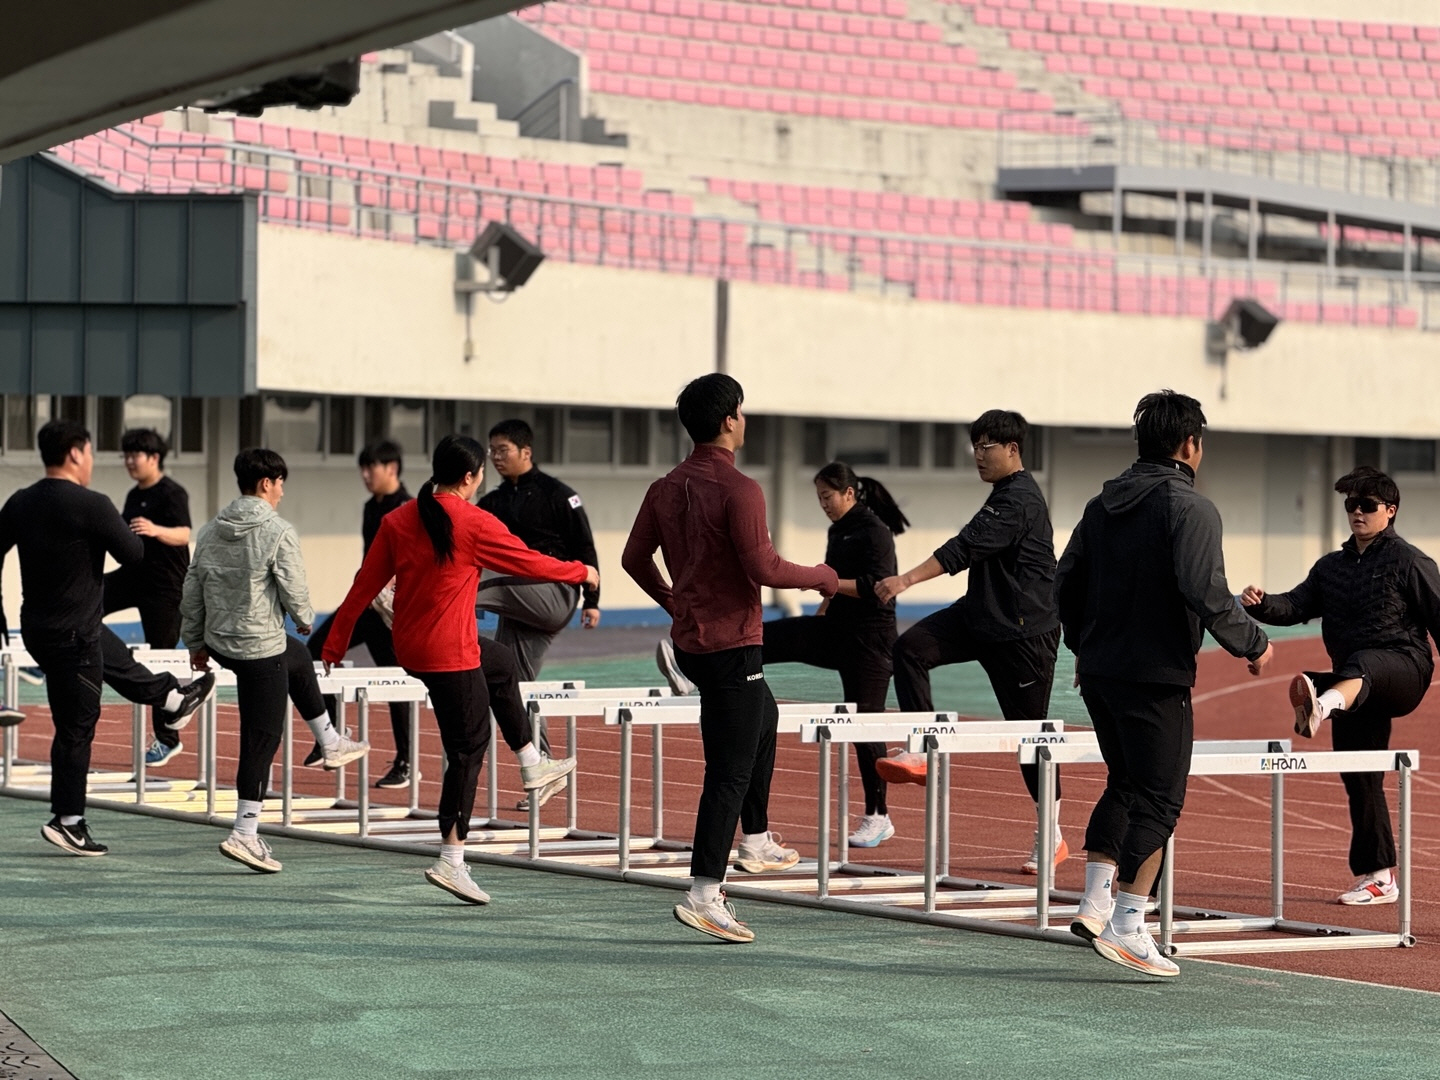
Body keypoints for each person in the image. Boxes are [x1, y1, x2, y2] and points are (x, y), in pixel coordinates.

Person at [322, 435, 594, 905]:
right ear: (471, 477)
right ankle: (451, 859)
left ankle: (533, 762)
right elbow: (528, 563)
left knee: (502, 663)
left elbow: (364, 583)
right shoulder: (473, 521)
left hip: (414, 646)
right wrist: (581, 572)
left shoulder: (398, 519)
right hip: (447, 652)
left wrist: (335, 641)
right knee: (468, 748)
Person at [1056, 390, 1273, 977]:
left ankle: (1095, 905)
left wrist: (1083, 646)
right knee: (1160, 797)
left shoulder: (1100, 506)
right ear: (1190, 444)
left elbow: (1065, 582)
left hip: (1099, 671)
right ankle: (1129, 925)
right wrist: (1254, 644)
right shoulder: (1190, 507)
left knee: (1124, 782)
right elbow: (1205, 590)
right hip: (1155, 675)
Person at [623, 374, 838, 943]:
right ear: (728, 420)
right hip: (730, 645)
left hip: (694, 643)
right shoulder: (740, 489)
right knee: (727, 772)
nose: (745, 420)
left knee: (764, 715)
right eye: (741, 411)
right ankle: (704, 894)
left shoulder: (664, 487)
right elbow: (764, 567)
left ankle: (757, 840)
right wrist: (821, 576)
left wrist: (673, 600)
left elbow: (633, 559)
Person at [659, 461, 908, 849]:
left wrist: (823, 581)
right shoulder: (837, 529)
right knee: (766, 636)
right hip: (835, 630)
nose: (823, 505)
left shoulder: (874, 531)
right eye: (819, 498)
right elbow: (832, 582)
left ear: (849, 493)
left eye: (828, 497)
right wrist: (820, 608)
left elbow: (874, 586)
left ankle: (879, 816)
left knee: (865, 723)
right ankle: (693, 670)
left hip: (870, 641)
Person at [0, 420, 213, 856]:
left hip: (39, 629)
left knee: (108, 649)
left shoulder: (20, 501)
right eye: (92, 453)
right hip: (73, 635)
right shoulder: (92, 504)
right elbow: (133, 553)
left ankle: (171, 698)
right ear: (76, 453)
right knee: (76, 727)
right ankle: (68, 821)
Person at [872, 409, 1065, 875]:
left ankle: (1052, 834)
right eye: (974, 446)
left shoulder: (1019, 498)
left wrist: (904, 580)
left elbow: (963, 548)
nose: (978, 455)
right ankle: (922, 748)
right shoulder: (1002, 493)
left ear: (1012, 450)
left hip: (1023, 634)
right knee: (910, 649)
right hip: (980, 617)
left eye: (986, 447)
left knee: (1030, 739)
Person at [1241, 466, 1440, 907]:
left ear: (1390, 510)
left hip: (1404, 670)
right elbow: (1294, 605)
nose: (1357, 512)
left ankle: (1322, 705)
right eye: (1351, 505)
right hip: (1354, 681)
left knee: (1362, 665)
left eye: (1367, 505)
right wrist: (1262, 603)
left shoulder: (1410, 562)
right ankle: (1380, 877)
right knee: (1359, 773)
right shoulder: (1330, 567)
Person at [182, 449, 371, 874]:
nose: (283, 492)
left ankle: (329, 740)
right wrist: (304, 617)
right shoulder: (277, 530)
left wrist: (195, 643)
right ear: (266, 483)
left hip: (221, 642)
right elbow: (293, 586)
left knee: (298, 655)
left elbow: (192, 589)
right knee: (262, 737)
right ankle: (244, 833)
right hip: (257, 648)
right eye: (281, 483)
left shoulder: (211, 530)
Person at [477, 419, 601, 809]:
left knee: (475, 576)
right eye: (491, 451)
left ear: (526, 452)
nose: (495, 458)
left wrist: (593, 600)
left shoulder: (559, 495)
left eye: (503, 450)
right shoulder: (493, 502)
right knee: (513, 686)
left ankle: (440, 602)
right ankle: (543, 767)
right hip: (518, 606)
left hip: (555, 594)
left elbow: (585, 546)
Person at [304, 439, 417, 789]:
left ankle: (407, 762)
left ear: (392, 468)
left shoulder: (409, 508)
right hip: (366, 604)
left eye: (372, 468)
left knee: (396, 681)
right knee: (316, 651)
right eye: (363, 469)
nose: (366, 475)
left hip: (391, 613)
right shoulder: (371, 507)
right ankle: (333, 731)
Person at [102, 428, 194, 768]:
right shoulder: (132, 494)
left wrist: (155, 530)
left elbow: (184, 533)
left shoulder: (172, 493)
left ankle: (168, 739)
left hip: (165, 587)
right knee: (88, 599)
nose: (129, 461)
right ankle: (57, 655)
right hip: (133, 577)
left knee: (160, 656)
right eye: (125, 455)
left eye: (134, 455)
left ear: (154, 458)